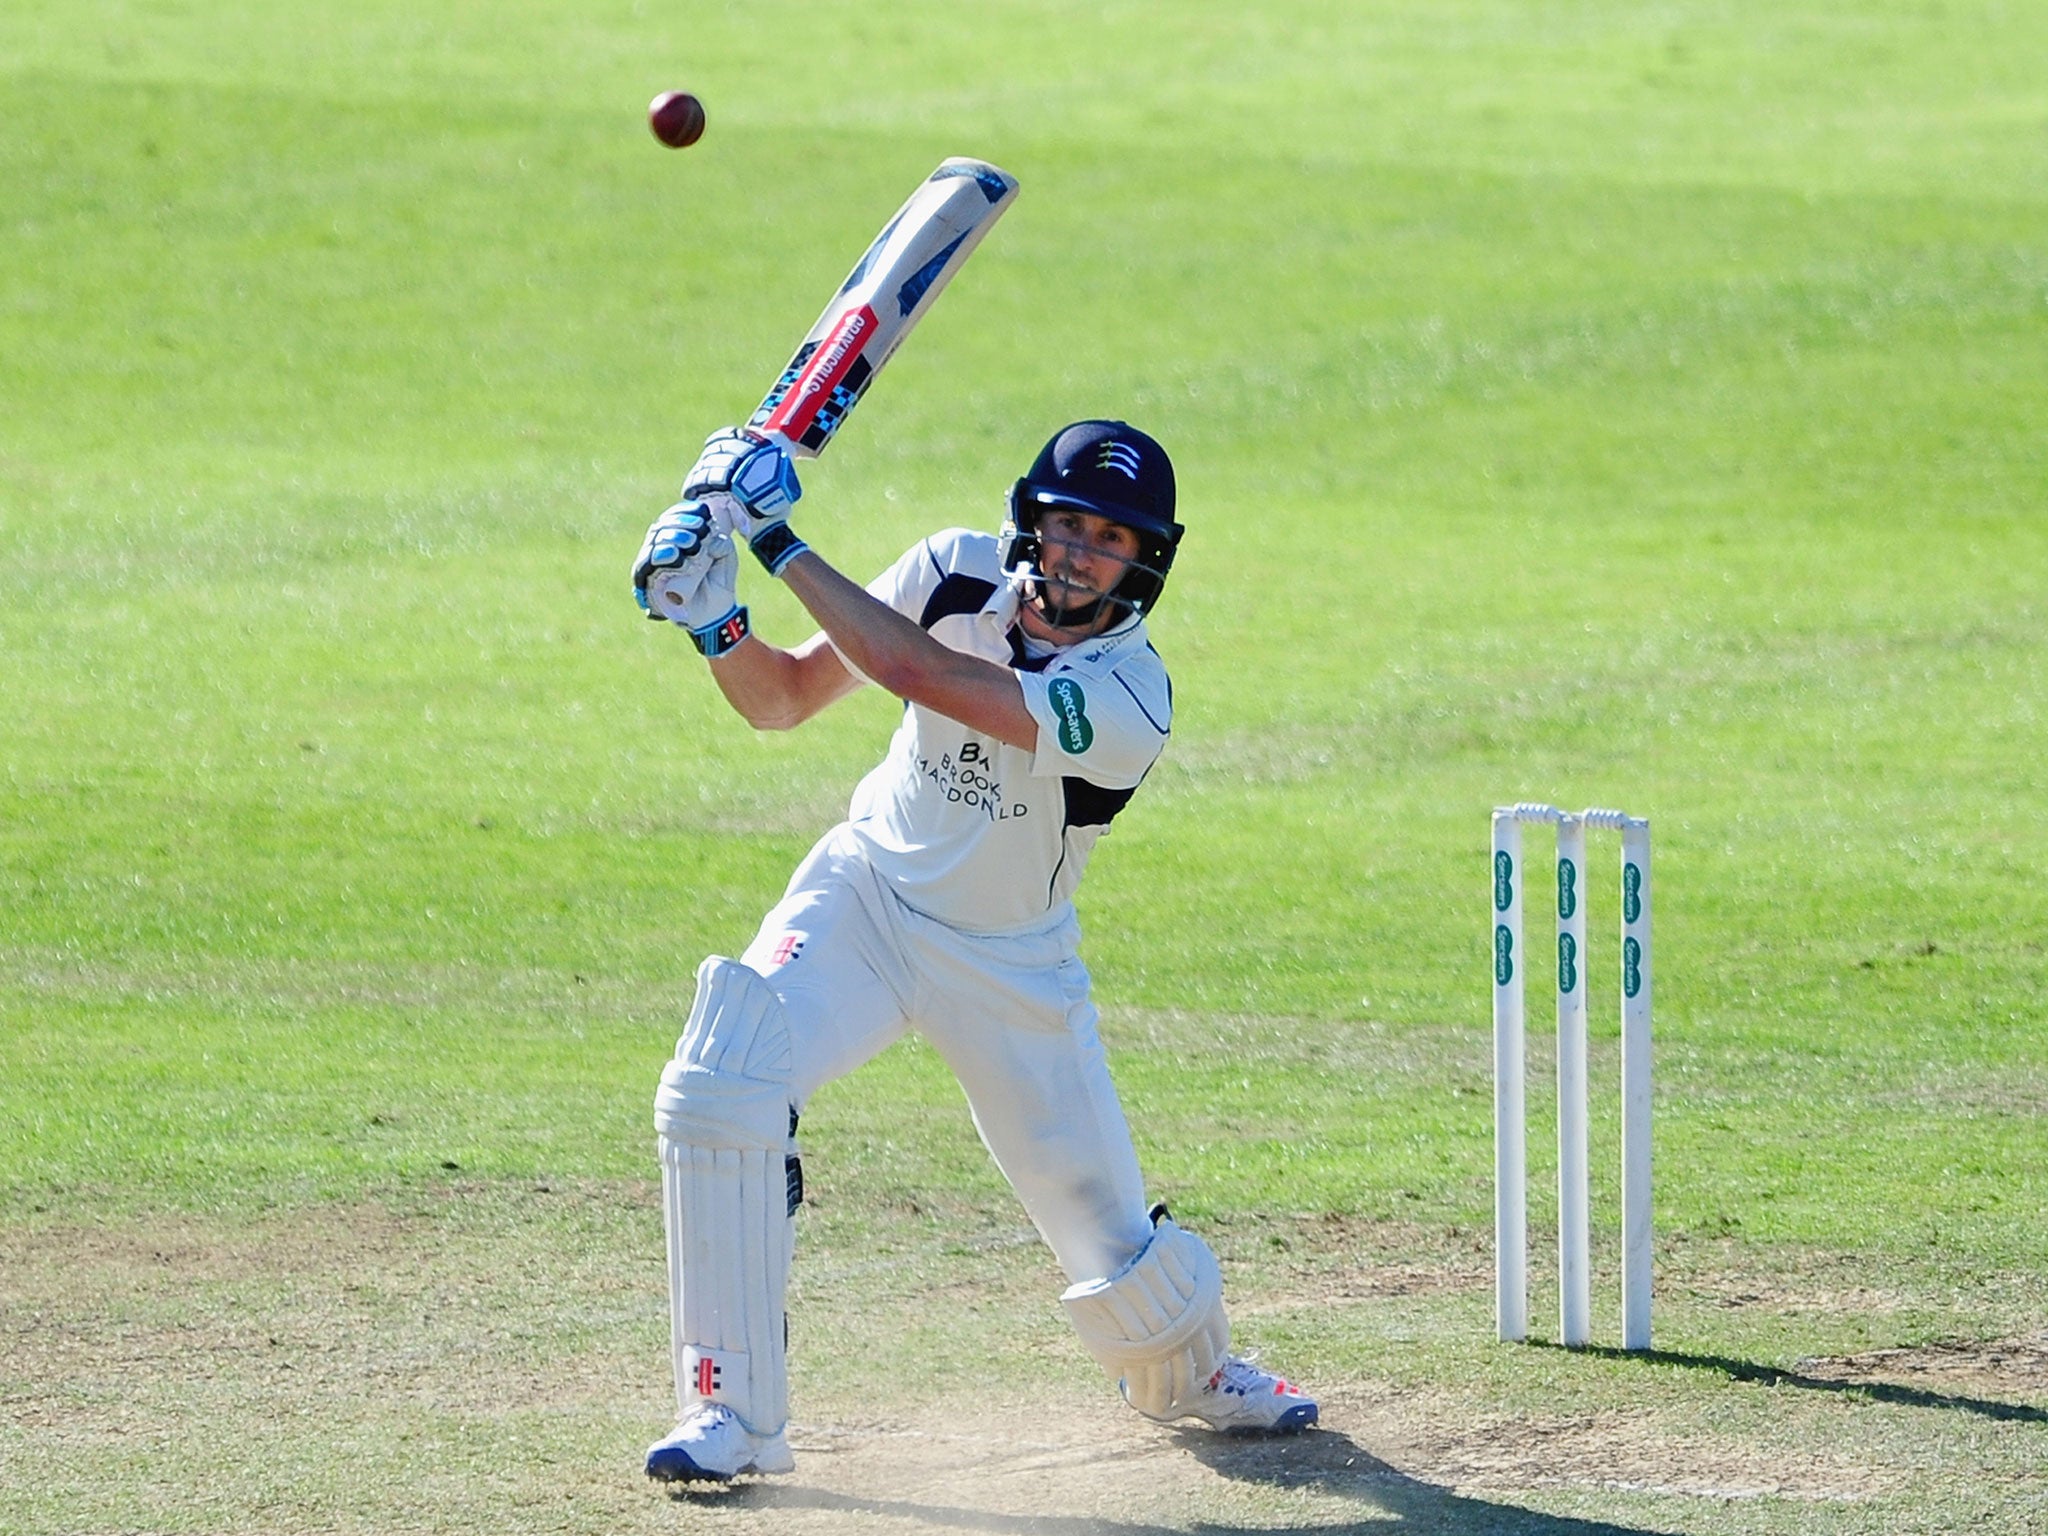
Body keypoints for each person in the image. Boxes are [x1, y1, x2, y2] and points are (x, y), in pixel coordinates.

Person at [628, 419, 1318, 1483]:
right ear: (1028, 523)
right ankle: (727, 1415)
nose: (1084, 552)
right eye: (1067, 524)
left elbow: (918, 675)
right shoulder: (950, 571)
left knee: (1121, 1260)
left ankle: (1197, 1373)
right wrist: (715, 620)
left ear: (1146, 563)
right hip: (864, 898)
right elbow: (784, 700)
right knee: (722, 1081)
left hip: (1008, 961)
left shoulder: (1133, 697)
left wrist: (774, 541)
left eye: (1113, 539)